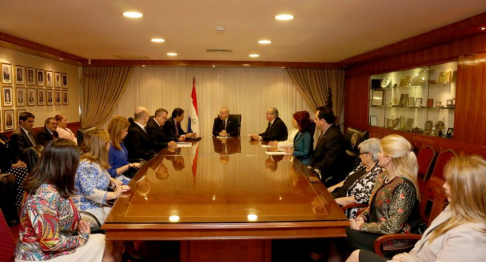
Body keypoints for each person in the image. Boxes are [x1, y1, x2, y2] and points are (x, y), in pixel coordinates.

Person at [347, 155, 486, 262]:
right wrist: (406, 256)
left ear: (466, 191)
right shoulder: (453, 208)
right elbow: (425, 241)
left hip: (398, 244)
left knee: (356, 255)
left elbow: (394, 226)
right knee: (355, 254)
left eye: (451, 183)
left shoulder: (472, 235)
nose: (444, 186)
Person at [14, 139, 110, 262]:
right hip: (38, 257)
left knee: (106, 242)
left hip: (47, 251)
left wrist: (78, 225)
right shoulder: (44, 196)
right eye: (76, 162)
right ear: (66, 165)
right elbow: (50, 243)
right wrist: (82, 237)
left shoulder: (53, 185)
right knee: (104, 243)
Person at [346, 134, 420, 257]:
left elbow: (393, 226)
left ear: (388, 158)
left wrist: (362, 227)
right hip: (378, 231)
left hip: (393, 240)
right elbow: (373, 206)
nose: (378, 155)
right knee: (338, 232)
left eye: (380, 152)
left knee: (340, 234)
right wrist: (363, 217)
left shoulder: (403, 185)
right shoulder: (382, 176)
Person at [74, 129, 130, 224]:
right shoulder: (87, 165)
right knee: (124, 217)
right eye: (109, 142)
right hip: (87, 210)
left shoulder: (95, 161)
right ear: (102, 145)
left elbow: (104, 176)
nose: (110, 145)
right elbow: (90, 192)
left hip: (97, 205)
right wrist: (115, 194)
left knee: (126, 211)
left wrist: (112, 181)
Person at [327, 138, 383, 219]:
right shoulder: (362, 165)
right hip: (338, 196)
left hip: (346, 206)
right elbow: (348, 180)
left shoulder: (378, 173)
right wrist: (330, 189)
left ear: (369, 155)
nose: (359, 156)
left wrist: (334, 201)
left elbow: (362, 198)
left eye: (361, 153)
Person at [309, 106, 346, 187]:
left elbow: (329, 161)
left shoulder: (334, 135)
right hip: (319, 168)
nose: (314, 121)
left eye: (315, 119)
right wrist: (310, 166)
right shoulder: (326, 132)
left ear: (322, 121)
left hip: (328, 173)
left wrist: (313, 169)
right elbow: (317, 155)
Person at [0, 132, 28, 220]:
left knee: (24, 169)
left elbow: (12, 153)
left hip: (10, 165)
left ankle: (19, 204)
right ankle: (14, 207)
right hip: (3, 167)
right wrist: (13, 165)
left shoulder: (3, 136)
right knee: (10, 178)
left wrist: (19, 161)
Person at [107, 116, 141, 185]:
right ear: (118, 131)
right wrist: (129, 165)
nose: (127, 133)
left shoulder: (121, 143)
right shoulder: (108, 147)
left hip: (123, 176)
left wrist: (132, 164)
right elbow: (110, 173)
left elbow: (124, 162)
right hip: (115, 181)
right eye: (125, 130)